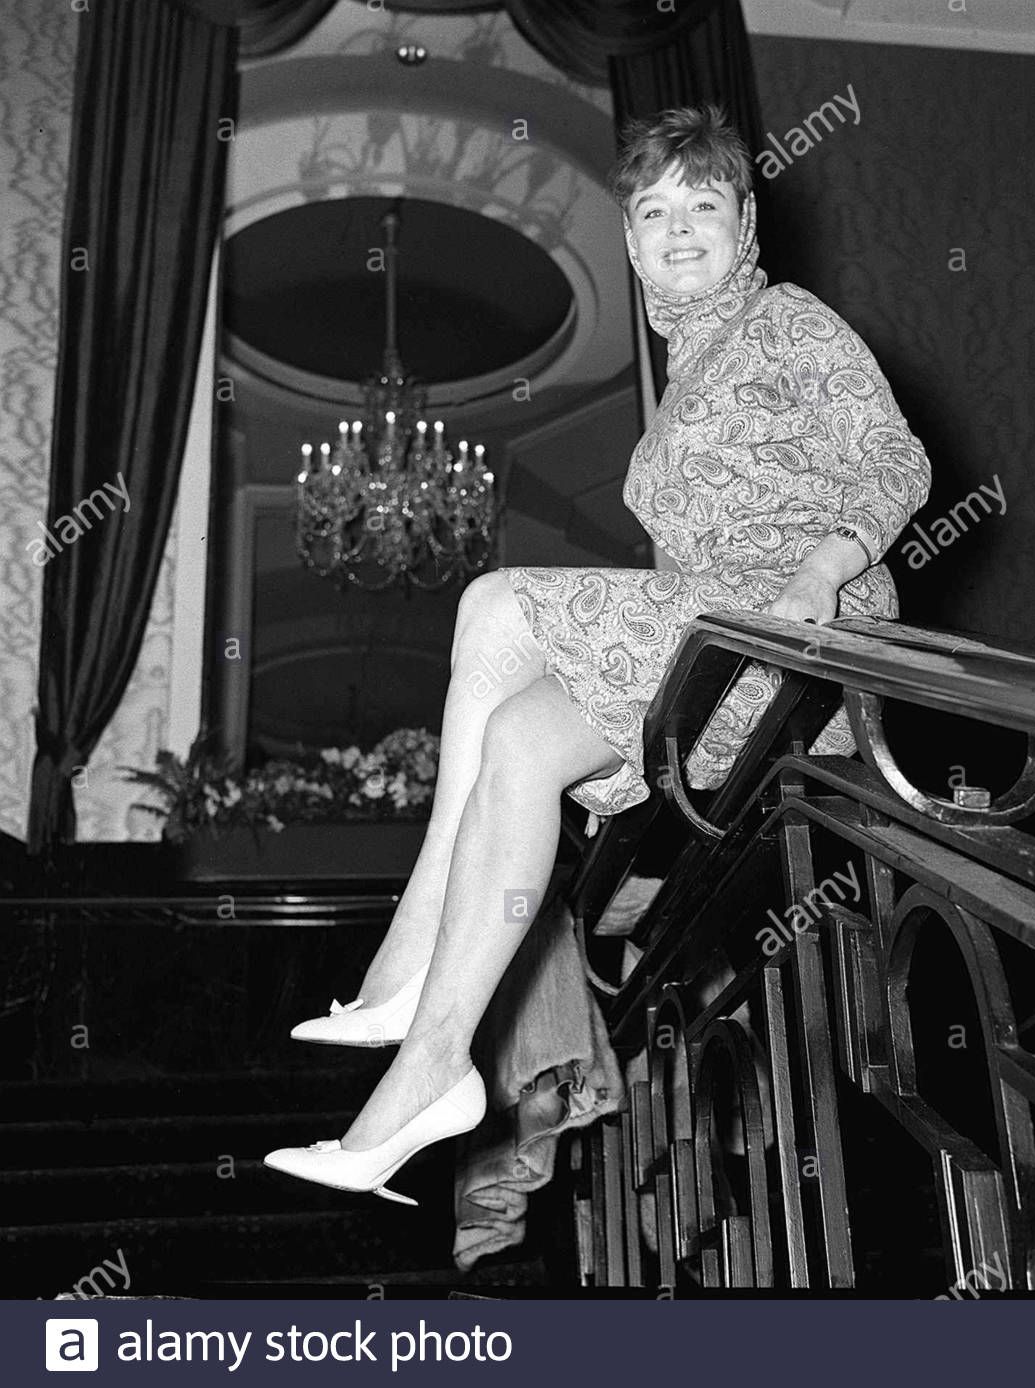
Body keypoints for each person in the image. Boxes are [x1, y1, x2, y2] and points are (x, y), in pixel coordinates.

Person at [264, 106, 931, 1204]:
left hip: (797, 628)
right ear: (627, 241)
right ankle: (428, 1071)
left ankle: (408, 952)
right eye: (652, 213)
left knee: (493, 603)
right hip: (714, 648)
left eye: (702, 205)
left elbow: (896, 461)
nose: (678, 230)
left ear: (745, 222)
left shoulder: (787, 321)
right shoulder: (682, 371)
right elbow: (682, 561)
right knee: (520, 741)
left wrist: (821, 571)